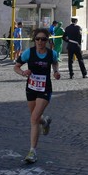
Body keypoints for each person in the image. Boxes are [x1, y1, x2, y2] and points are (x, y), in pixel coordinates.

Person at [14, 28, 61, 163]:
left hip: (45, 89)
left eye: (43, 39)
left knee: (34, 118)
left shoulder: (52, 54)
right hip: (31, 89)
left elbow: (55, 62)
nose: (40, 41)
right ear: (34, 40)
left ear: (47, 41)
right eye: (38, 39)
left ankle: (32, 152)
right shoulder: (29, 52)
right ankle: (45, 121)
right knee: (36, 118)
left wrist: (56, 72)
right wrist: (23, 72)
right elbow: (16, 67)